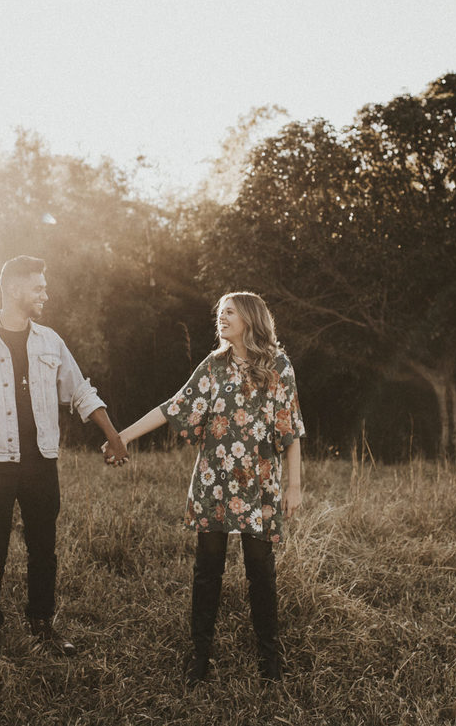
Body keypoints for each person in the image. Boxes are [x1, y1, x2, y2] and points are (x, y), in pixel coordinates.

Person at [113, 291, 304, 683]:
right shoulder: (214, 366)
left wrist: (295, 486)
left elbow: (291, 430)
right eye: (220, 313)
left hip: (260, 485)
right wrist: (123, 437)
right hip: (213, 484)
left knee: (261, 571)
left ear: (250, 318)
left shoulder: (277, 365)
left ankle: (269, 659)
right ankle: (200, 656)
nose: (222, 318)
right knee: (207, 570)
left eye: (230, 312)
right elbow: (173, 407)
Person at [0, 255, 128, 653]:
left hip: (41, 461)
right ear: (13, 289)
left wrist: (112, 434)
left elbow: (80, 390)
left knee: (44, 547)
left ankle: (43, 625)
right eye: (38, 287)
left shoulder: (50, 341)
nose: (46, 294)